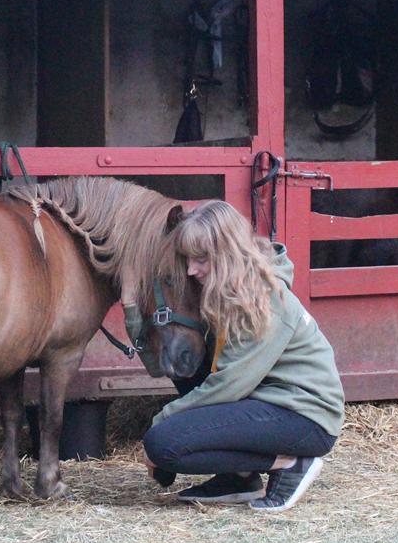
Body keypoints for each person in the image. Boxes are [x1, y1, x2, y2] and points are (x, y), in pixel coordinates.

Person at [142, 200, 344, 512]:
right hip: (265, 398)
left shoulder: (263, 299)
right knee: (185, 362)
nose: (191, 270)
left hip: (304, 415)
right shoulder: (229, 287)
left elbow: (229, 385)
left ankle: (290, 463)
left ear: (228, 254)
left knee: (162, 444)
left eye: (200, 259)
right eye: (187, 259)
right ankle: (238, 478)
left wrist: (161, 421)